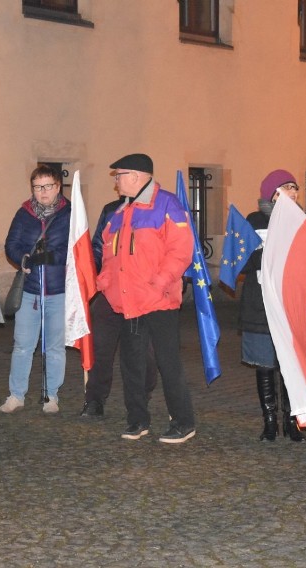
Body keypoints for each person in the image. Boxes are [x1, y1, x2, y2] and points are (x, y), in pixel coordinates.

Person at [96, 153, 197, 443]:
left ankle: (183, 422)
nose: (116, 183)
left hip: (159, 299)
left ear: (138, 177)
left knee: (168, 362)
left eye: (120, 176)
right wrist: (104, 281)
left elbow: (181, 251)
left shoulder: (167, 204)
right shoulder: (120, 213)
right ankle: (137, 420)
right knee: (132, 362)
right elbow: (108, 252)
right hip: (128, 301)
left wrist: (160, 282)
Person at [238, 169, 306, 442]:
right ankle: (269, 422)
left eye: (295, 187)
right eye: (287, 187)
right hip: (260, 305)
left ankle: (293, 421)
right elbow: (241, 261)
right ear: (272, 193)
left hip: (290, 303)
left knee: (290, 365)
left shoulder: (301, 221)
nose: (293, 192)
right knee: (265, 364)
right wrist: (266, 254)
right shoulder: (254, 221)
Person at [0, 165, 70, 414]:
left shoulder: (69, 214)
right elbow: (11, 244)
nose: (43, 192)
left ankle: (52, 395)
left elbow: (76, 248)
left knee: (54, 346)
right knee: (22, 345)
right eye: (38, 187)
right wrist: (24, 258)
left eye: (48, 186)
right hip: (30, 289)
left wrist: (52, 257)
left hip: (58, 289)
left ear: (58, 187)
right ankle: (16, 394)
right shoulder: (24, 213)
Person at [79, 194, 158, 418]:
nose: (118, 181)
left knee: (144, 351)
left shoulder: (155, 210)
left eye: (123, 175)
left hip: (140, 292)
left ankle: (141, 396)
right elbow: (96, 247)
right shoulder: (111, 210)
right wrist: (88, 274)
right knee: (99, 347)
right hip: (110, 290)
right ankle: (94, 399)